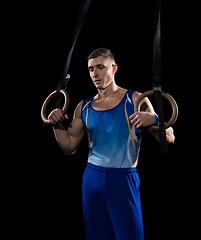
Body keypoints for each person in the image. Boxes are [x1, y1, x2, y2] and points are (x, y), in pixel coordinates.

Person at [48, 48, 175, 240]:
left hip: (122, 180)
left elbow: (169, 138)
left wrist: (155, 120)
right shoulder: (84, 107)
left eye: (100, 67)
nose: (95, 74)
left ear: (114, 68)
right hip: (91, 178)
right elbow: (69, 146)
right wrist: (56, 124)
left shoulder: (135, 99)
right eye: (91, 69)